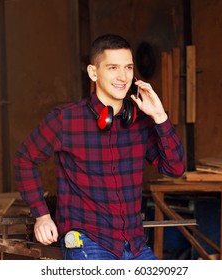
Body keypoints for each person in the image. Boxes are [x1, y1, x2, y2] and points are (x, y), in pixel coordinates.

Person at [13, 34, 186, 260]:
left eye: (128, 67)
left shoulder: (141, 122)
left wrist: (160, 117)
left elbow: (175, 168)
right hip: (87, 240)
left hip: (134, 243)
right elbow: (24, 159)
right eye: (113, 67)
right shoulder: (65, 119)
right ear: (93, 72)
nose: (123, 76)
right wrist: (42, 215)